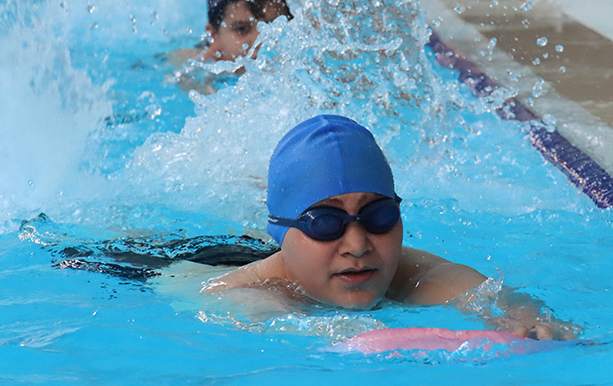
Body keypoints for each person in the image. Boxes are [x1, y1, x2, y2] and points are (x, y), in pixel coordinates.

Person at [203, 114, 579, 340]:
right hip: (202, 258)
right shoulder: (241, 295)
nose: (358, 244)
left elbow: (494, 299)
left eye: (378, 216)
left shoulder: (410, 273)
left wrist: (533, 323)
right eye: (326, 223)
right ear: (282, 232)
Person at [169, 0, 292, 93]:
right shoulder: (192, 63)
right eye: (241, 29)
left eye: (272, 27)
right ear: (214, 35)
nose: (260, 41)